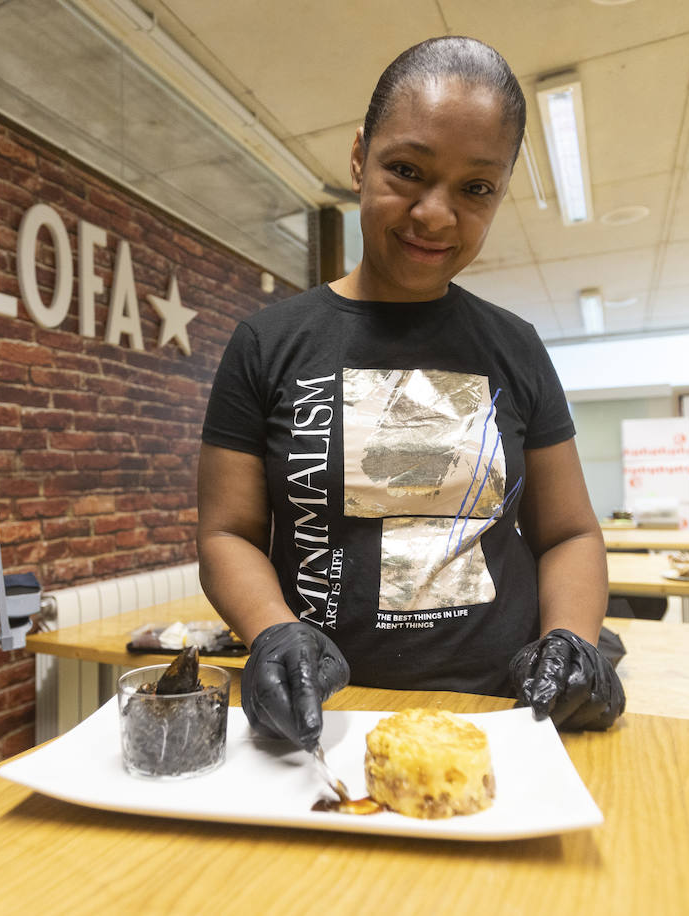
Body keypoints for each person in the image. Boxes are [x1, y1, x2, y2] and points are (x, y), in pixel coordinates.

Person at [197, 36, 624, 751]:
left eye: (475, 188)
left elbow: (571, 533)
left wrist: (571, 642)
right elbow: (227, 533)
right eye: (406, 170)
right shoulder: (267, 344)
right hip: (320, 718)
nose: (434, 214)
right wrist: (272, 627)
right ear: (361, 156)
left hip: (502, 712)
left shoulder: (514, 346)